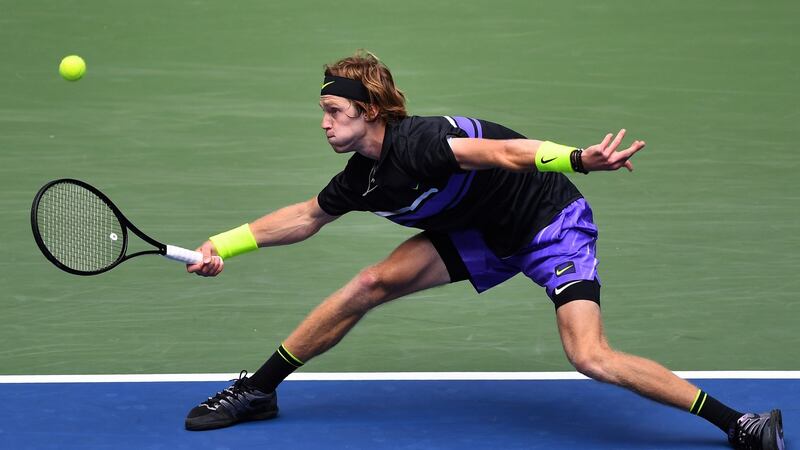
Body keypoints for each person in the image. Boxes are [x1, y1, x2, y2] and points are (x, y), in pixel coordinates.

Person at [183, 50, 783, 449]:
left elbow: (503, 153)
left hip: (546, 222)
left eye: (334, 111)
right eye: (323, 112)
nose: (324, 123)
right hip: (479, 231)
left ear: (368, 111)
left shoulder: (422, 143)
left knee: (589, 356)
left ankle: (740, 424)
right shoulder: (361, 178)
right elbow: (304, 217)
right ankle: (259, 389)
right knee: (369, 283)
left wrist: (578, 159)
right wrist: (221, 246)